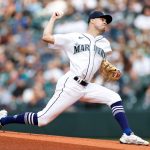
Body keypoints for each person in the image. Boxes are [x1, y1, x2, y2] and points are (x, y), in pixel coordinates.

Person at [0, 10, 149, 145]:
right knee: (42, 119)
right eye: (102, 19)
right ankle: (4, 119)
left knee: (114, 97)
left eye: (107, 20)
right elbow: (46, 37)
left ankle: (127, 133)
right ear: (92, 20)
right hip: (71, 84)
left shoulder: (105, 43)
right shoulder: (75, 37)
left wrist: (110, 69)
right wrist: (52, 19)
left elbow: (100, 61)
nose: (105, 22)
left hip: (87, 86)